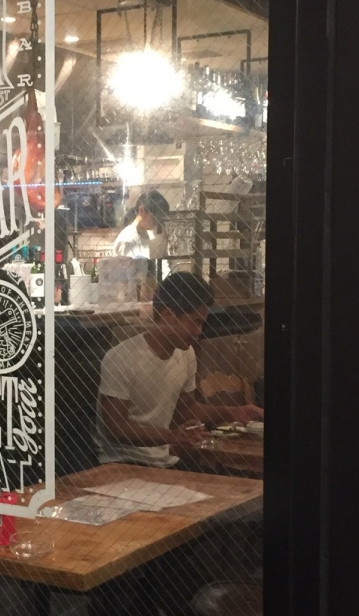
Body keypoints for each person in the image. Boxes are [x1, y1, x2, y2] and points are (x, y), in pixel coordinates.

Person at [95, 271, 262, 468]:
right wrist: (171, 436)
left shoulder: (186, 353)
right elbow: (115, 429)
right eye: (195, 322)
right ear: (169, 316)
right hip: (122, 463)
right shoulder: (121, 358)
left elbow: (186, 410)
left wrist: (233, 413)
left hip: (164, 460)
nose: (199, 331)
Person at [112, 190, 170, 260]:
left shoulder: (147, 235)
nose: (157, 222)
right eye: (154, 218)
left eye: (160, 218)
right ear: (142, 211)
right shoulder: (128, 240)